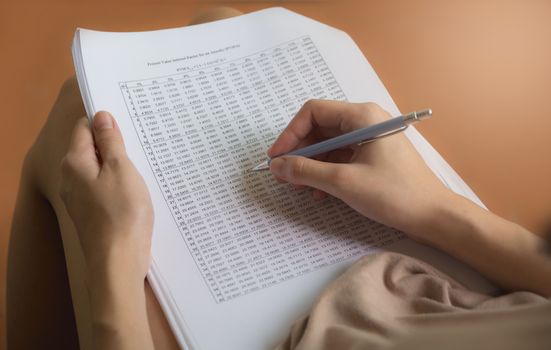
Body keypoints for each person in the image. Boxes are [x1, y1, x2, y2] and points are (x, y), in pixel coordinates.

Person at [7, 7, 551, 350]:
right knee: (218, 20)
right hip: (439, 305)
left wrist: (113, 265)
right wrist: (436, 208)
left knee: (78, 118)